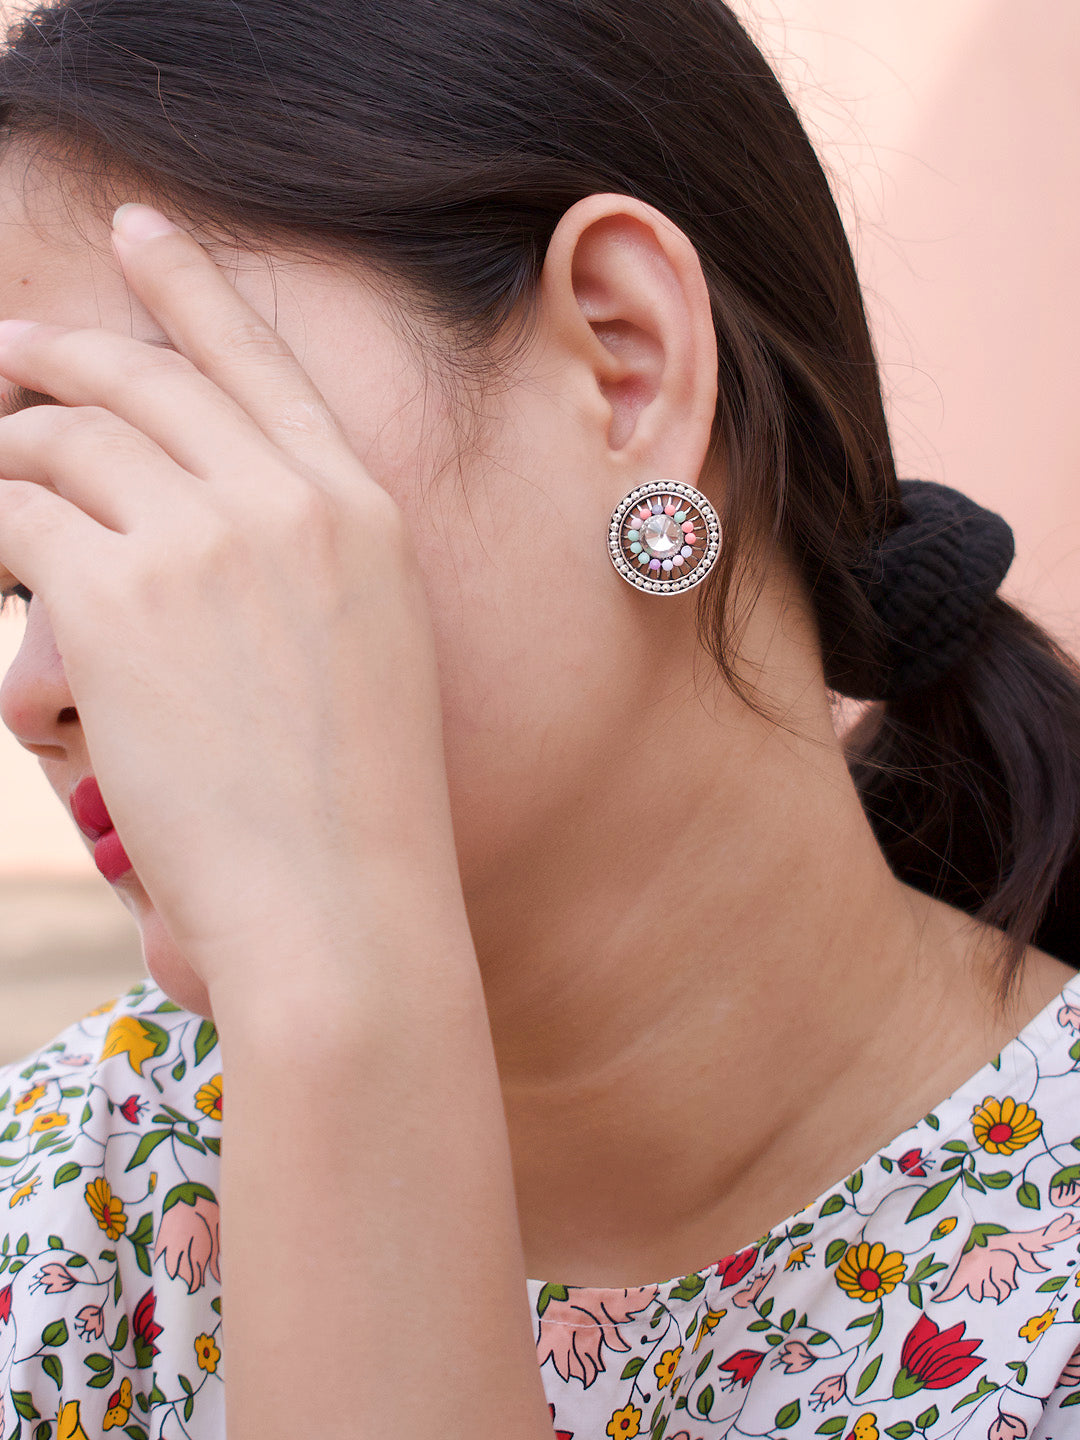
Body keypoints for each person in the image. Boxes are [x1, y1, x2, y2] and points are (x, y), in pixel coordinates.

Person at [0, 0, 1076, 1436]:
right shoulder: (60, 1215)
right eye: (26, 574)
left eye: (164, 471)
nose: (34, 689)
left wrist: (339, 978)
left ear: (625, 362)